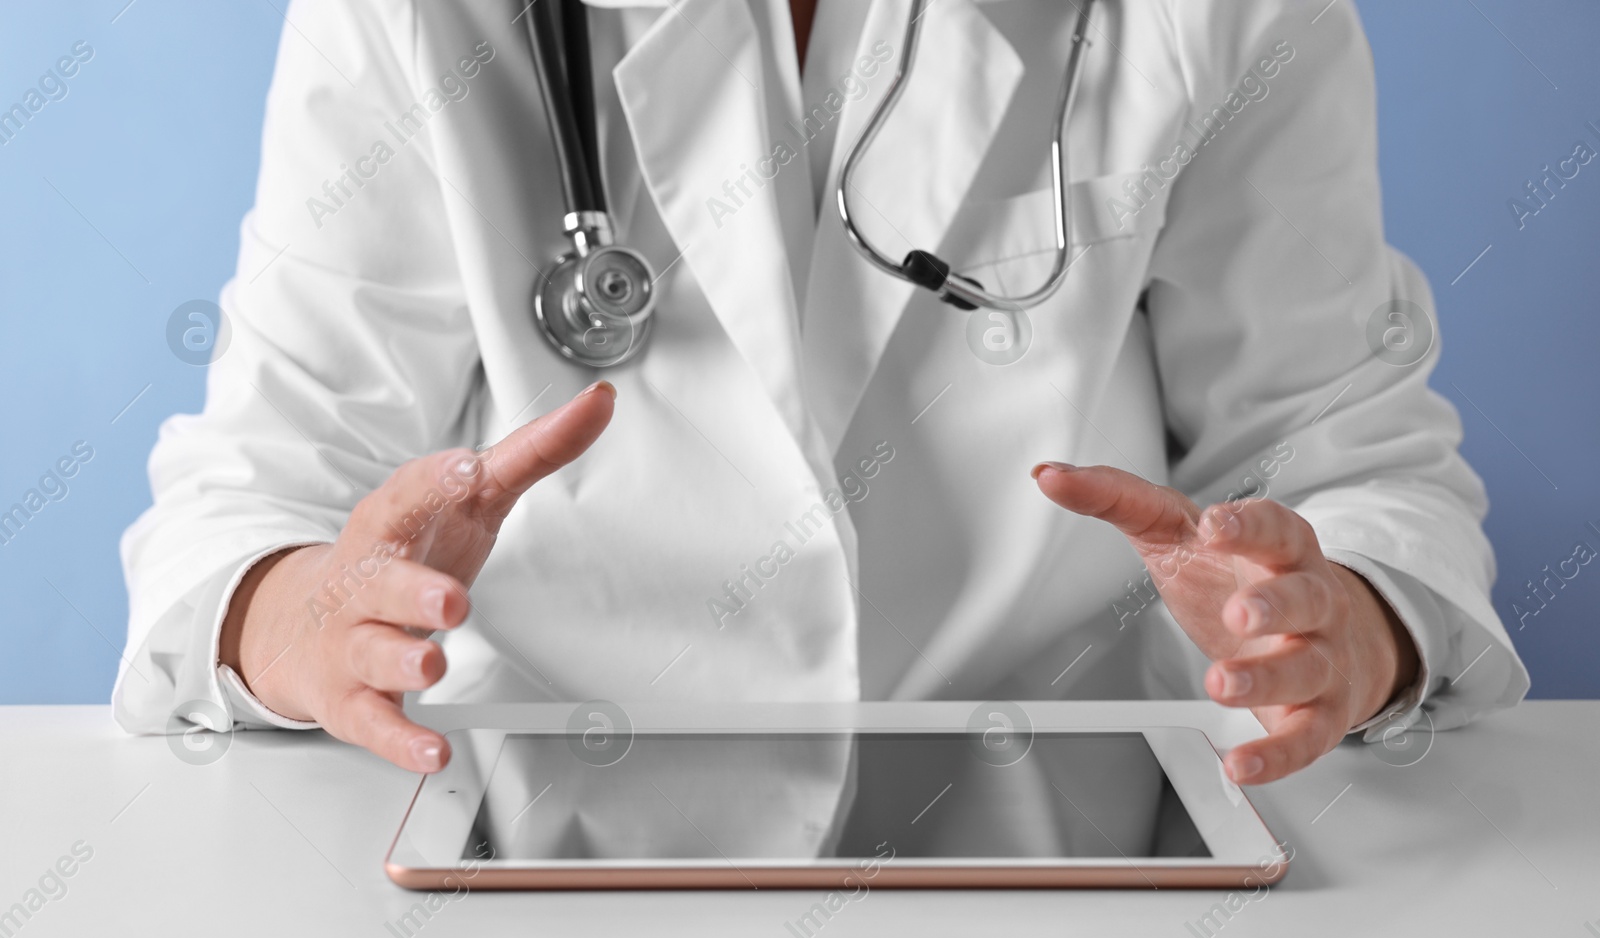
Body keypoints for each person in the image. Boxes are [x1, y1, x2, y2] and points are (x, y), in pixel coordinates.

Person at [116, 0, 1527, 785]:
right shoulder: (410, 15)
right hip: (535, 849)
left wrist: (1346, 620)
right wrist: (299, 614)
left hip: (1071, 877)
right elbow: (248, 504)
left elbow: (1361, 476)